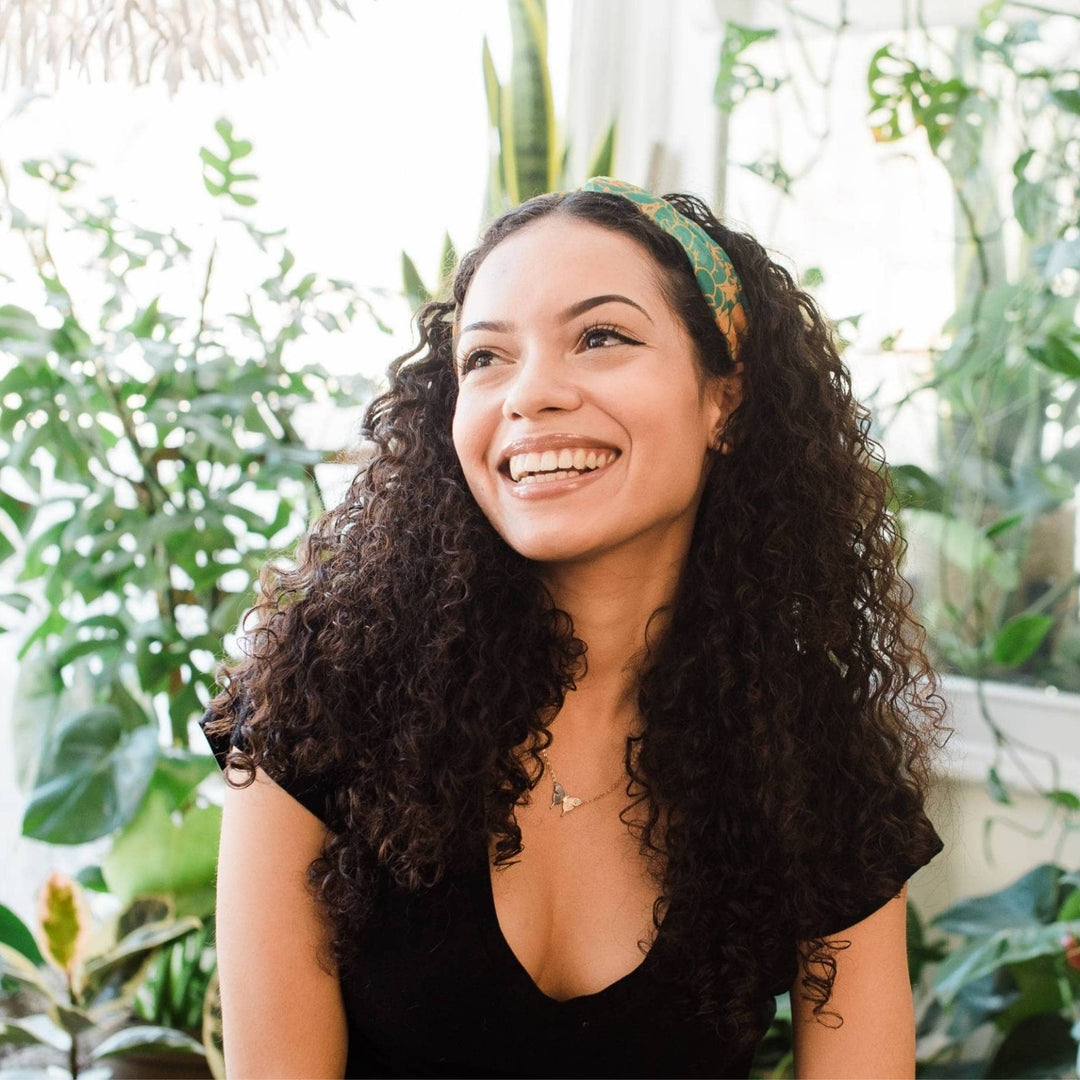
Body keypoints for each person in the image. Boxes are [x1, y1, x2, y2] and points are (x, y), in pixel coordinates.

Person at [201, 176, 948, 1079]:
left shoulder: (806, 743)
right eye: (485, 358)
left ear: (727, 401)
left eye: (601, 337)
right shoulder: (326, 698)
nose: (531, 394)